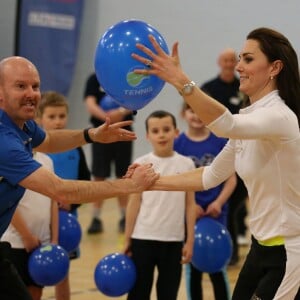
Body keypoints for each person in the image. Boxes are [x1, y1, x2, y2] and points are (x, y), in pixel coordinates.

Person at [130, 27, 300, 299]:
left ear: (275, 67)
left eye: (248, 59)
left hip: (290, 252)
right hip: (260, 248)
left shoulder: (278, 116)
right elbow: (209, 176)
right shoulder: (249, 120)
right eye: (240, 59)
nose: (239, 67)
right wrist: (151, 183)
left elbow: (225, 125)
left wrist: (180, 80)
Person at [0, 55, 158, 300]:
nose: (31, 93)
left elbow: (50, 140)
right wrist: (129, 185)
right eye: (20, 86)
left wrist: (92, 134)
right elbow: (61, 190)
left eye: (35, 86)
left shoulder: (20, 125)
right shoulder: (4, 141)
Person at [123, 110, 196, 300]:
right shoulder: (141, 164)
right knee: (139, 292)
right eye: (155, 131)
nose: (161, 134)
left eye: (166, 129)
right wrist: (127, 239)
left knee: (168, 293)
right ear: (148, 136)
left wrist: (189, 241)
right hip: (143, 238)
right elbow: (134, 204)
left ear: (176, 132)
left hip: (173, 241)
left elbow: (190, 205)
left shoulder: (187, 164)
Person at [174, 102, 236, 300]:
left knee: (218, 268)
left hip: (216, 214)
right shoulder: (178, 144)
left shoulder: (220, 142)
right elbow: (176, 181)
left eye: (200, 110)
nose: (197, 115)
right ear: (183, 113)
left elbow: (231, 179)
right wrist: (190, 206)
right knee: (193, 269)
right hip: (190, 217)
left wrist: (218, 202)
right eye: (192, 110)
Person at [37, 91, 91, 300]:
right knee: (34, 273)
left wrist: (72, 202)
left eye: (61, 116)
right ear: (40, 119)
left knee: (62, 272)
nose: (58, 121)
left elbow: (85, 183)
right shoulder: (34, 150)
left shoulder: (75, 147)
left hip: (67, 224)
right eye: (52, 117)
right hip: (40, 222)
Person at [201, 48, 249, 265]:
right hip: (217, 151)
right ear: (220, 62)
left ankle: (235, 245)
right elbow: (196, 111)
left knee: (235, 199)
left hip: (243, 149)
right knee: (219, 201)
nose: (229, 63)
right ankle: (213, 249)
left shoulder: (245, 87)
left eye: (233, 59)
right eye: (226, 60)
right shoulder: (209, 88)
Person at [1, 152, 58, 300]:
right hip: (16, 243)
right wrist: (26, 236)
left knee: (35, 293)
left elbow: (53, 200)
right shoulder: (10, 158)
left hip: (41, 244)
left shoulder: (47, 161)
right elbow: (5, 202)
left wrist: (54, 239)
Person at [84, 73, 134, 234]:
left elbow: (134, 101)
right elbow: (90, 104)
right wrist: (106, 118)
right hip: (100, 133)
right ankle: (96, 218)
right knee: (99, 175)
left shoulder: (126, 76)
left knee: (123, 174)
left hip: (123, 132)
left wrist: (120, 111)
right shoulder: (93, 79)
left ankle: (124, 216)